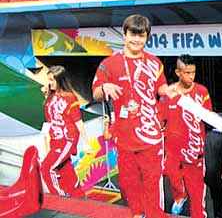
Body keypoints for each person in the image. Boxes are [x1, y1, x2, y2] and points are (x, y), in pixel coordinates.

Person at [92, 14, 169, 218]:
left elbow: (162, 88)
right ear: (124, 34)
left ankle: (154, 215)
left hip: (150, 135)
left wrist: (173, 92)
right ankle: (137, 213)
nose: (137, 39)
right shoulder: (109, 64)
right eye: (133, 34)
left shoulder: (155, 62)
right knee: (128, 183)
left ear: (147, 37)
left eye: (141, 35)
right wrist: (104, 86)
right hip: (124, 136)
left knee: (153, 183)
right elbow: (96, 93)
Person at [161, 54, 212, 218]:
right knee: (169, 172)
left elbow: (209, 117)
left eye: (193, 72)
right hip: (173, 150)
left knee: (197, 197)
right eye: (187, 73)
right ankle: (180, 195)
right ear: (177, 72)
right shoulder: (168, 93)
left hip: (194, 151)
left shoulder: (202, 91)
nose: (191, 76)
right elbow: (160, 119)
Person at [40, 65, 87, 198]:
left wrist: (86, 142)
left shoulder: (70, 97)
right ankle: (78, 196)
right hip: (55, 139)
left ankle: (58, 198)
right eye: (49, 80)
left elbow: (78, 121)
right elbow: (50, 119)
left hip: (67, 139)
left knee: (47, 168)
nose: (50, 83)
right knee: (65, 170)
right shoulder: (50, 96)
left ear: (60, 80)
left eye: (53, 80)